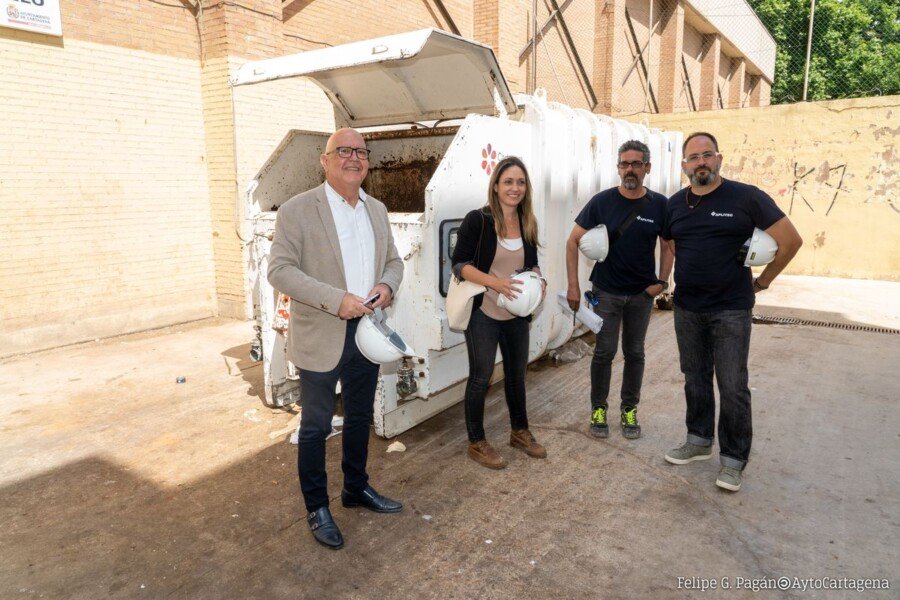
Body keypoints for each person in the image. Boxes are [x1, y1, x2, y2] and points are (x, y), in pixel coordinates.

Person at [268, 128, 404, 549]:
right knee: (315, 427)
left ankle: (355, 488)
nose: (354, 158)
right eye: (342, 151)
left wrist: (386, 286)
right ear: (324, 161)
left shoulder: (377, 209)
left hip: (366, 333)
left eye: (361, 152)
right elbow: (280, 270)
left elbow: (394, 262)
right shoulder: (297, 210)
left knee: (361, 417)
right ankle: (316, 506)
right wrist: (335, 300)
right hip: (322, 333)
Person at [662, 131, 802, 492]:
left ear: (719, 159)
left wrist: (764, 282)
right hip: (688, 307)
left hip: (731, 309)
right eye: (694, 158)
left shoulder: (746, 197)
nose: (701, 162)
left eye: (707, 155)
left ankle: (734, 459)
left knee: (732, 384)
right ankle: (698, 440)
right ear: (684, 166)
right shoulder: (676, 204)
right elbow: (670, 240)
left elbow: (791, 240)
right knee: (694, 377)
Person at [566, 140, 674, 440]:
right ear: (618, 168)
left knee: (635, 352)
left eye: (636, 164)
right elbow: (572, 241)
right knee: (604, 352)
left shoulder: (660, 205)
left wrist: (661, 283)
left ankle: (629, 409)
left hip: (641, 295)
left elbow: (668, 245)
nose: (630, 169)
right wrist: (574, 285)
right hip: (607, 292)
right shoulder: (601, 202)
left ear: (647, 168)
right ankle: (598, 409)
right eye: (624, 164)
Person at [451, 156, 547, 469]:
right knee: (481, 377)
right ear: (496, 185)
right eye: (508, 181)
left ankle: (520, 432)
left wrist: (539, 280)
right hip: (484, 312)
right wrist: (496, 283)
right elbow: (460, 265)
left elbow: (531, 263)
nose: (514, 188)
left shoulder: (527, 221)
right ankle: (476, 442)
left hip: (517, 314)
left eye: (520, 182)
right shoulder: (477, 220)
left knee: (517, 375)